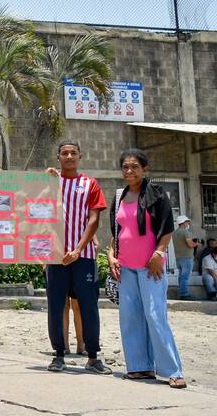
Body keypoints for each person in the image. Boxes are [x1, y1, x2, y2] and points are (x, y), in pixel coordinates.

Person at [107, 148, 185, 389]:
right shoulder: (120, 196)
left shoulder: (157, 194)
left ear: (144, 169)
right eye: (125, 167)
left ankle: (172, 370)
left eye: (134, 167)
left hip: (151, 267)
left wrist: (158, 253)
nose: (129, 171)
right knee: (130, 318)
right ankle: (140, 367)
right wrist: (111, 256)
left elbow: (167, 227)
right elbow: (117, 232)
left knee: (155, 316)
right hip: (126, 268)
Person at [44, 141, 111, 374]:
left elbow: (94, 220)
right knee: (55, 306)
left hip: (83, 256)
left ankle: (93, 357)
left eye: (73, 153)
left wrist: (79, 249)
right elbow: (33, 208)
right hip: (56, 257)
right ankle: (58, 355)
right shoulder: (51, 182)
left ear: (80, 156)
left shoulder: (89, 184)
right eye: (64, 153)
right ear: (58, 156)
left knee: (88, 306)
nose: (69, 156)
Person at [172, 215, 196, 300]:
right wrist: (196, 244)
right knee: (185, 276)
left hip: (178, 258)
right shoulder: (185, 232)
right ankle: (184, 294)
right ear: (183, 222)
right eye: (187, 221)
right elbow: (190, 245)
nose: (188, 223)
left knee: (181, 276)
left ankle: (182, 293)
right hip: (186, 258)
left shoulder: (174, 233)